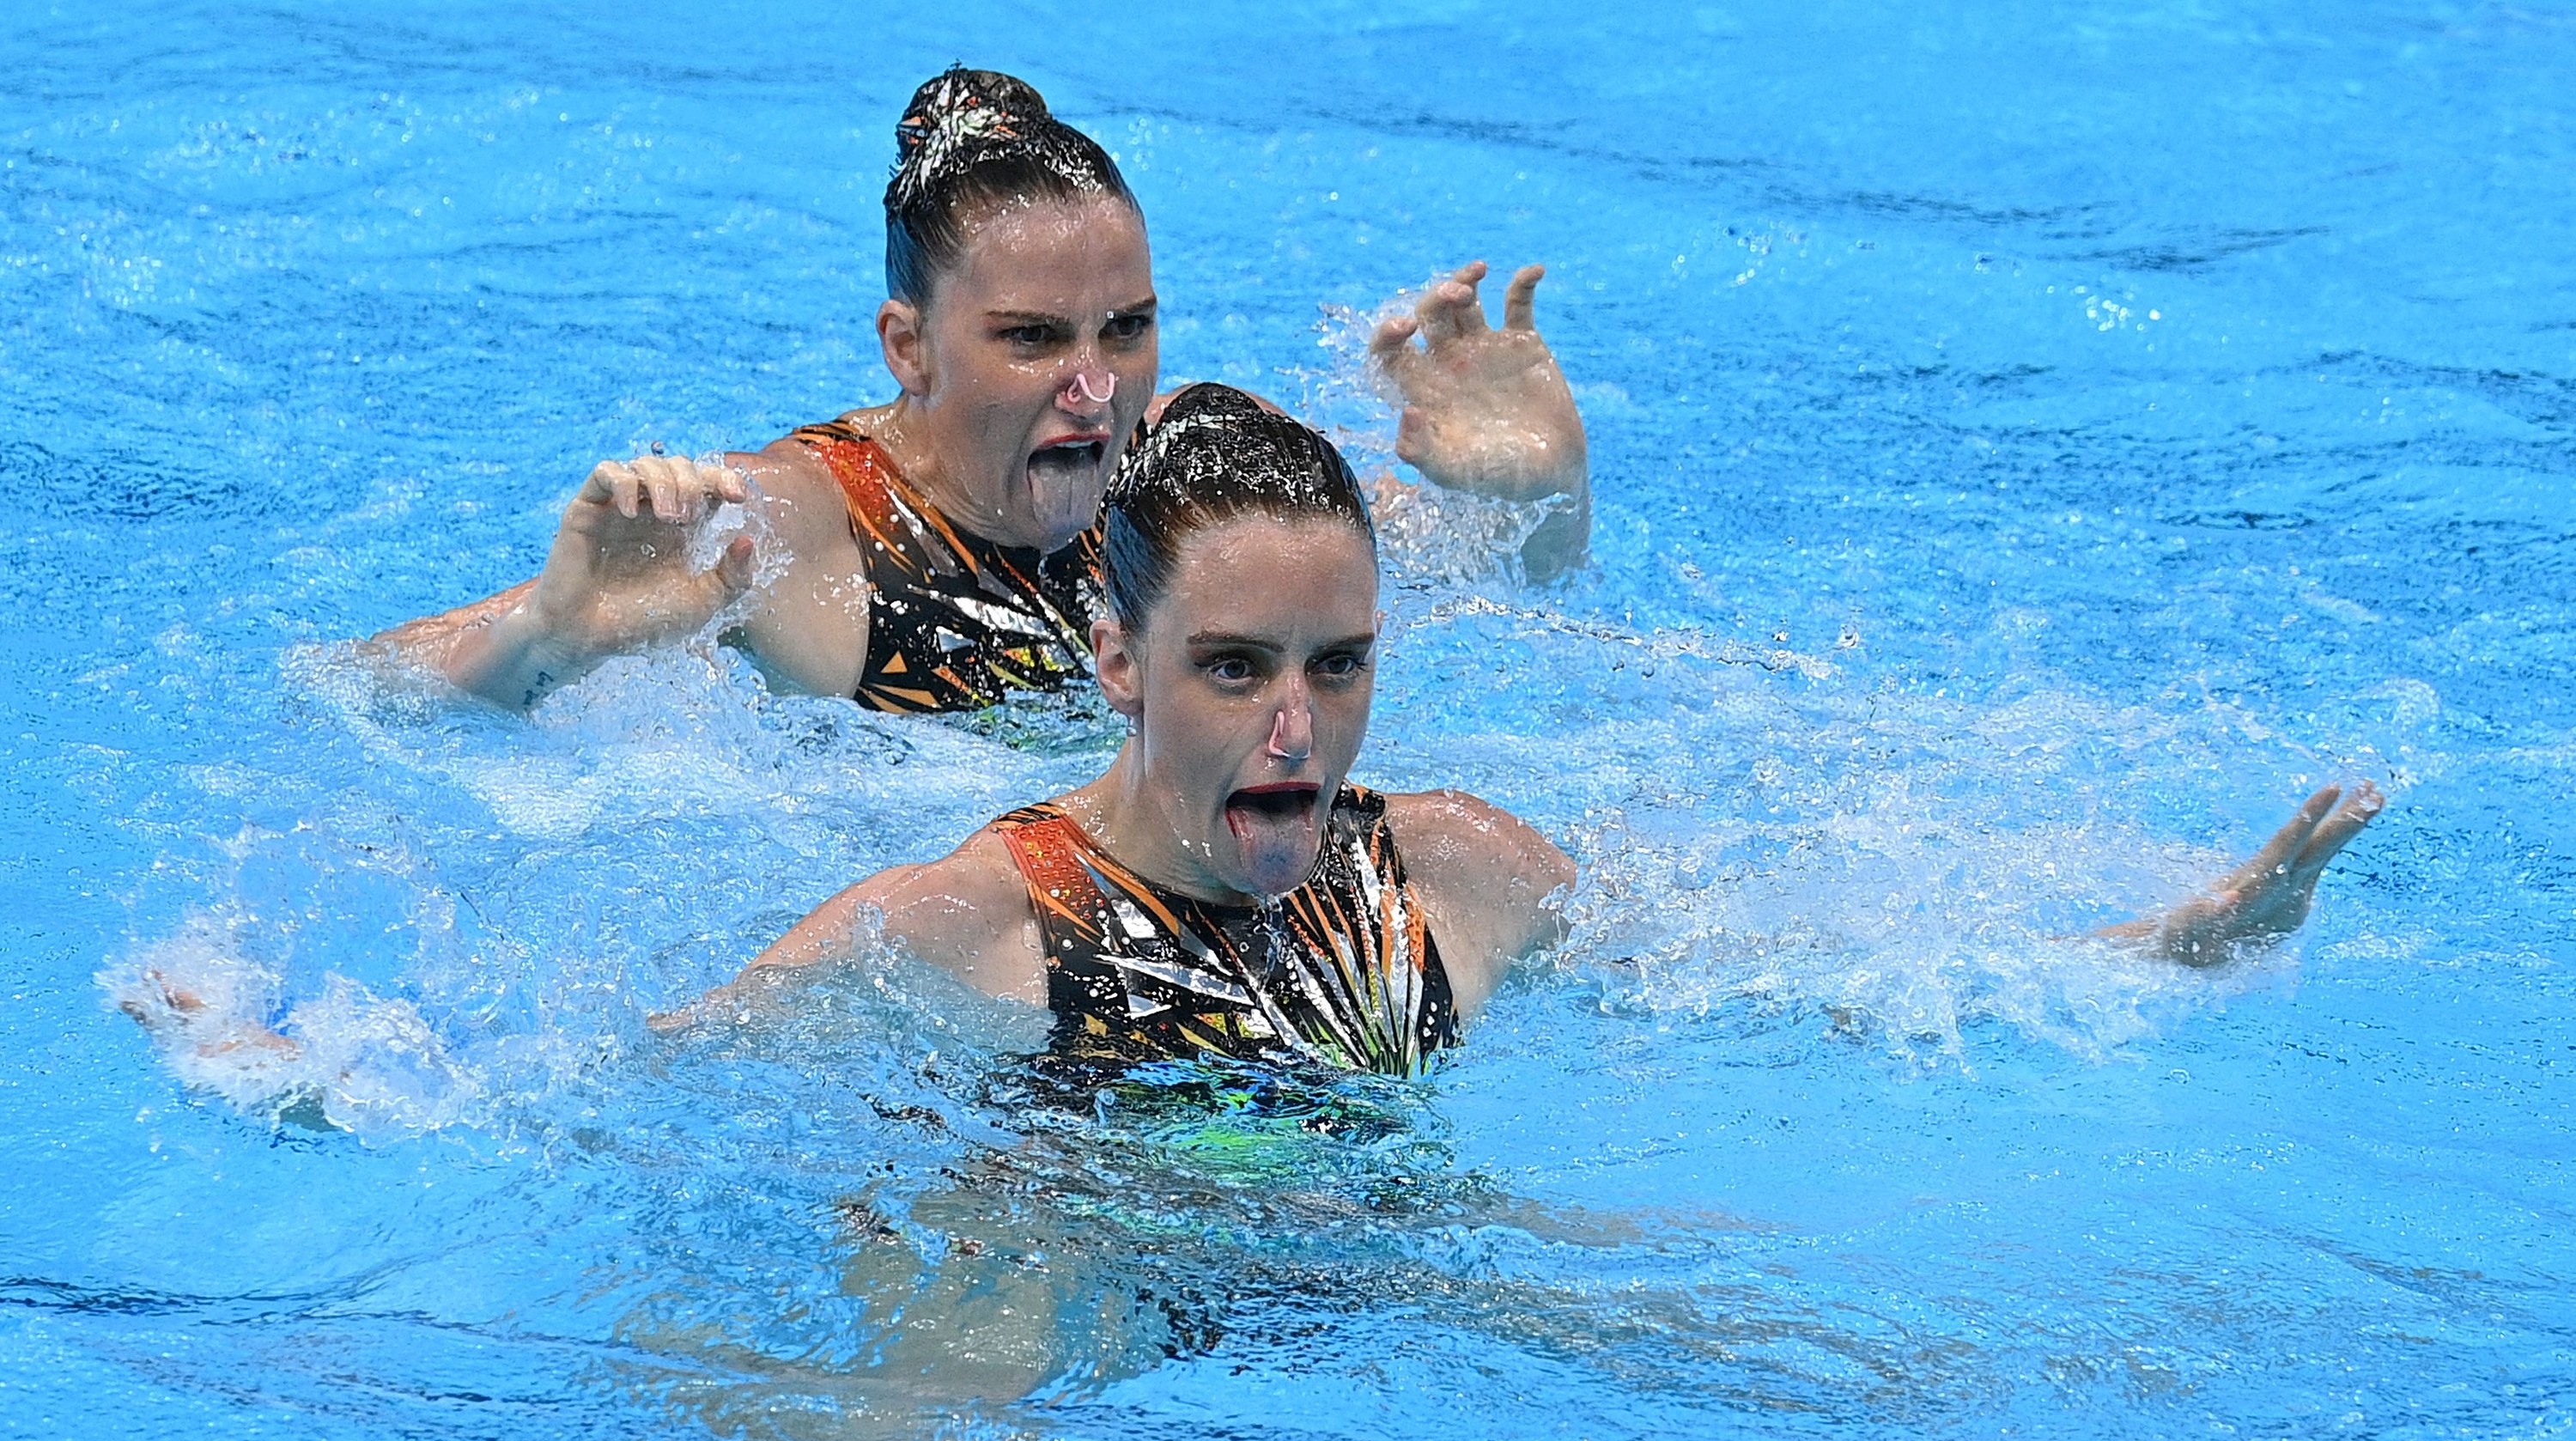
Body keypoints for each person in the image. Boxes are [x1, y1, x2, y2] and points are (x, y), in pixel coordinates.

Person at [680, 387, 2385, 1078]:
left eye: (1338, 664)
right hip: (1077, 1290)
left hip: (1395, 1299)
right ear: (1115, 659)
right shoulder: (973, 922)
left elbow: (1820, 971)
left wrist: (2184, 939)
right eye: (1234, 670)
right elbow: (634, 1088)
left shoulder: (1456, 876)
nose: (1297, 727)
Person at [374, 68, 1593, 714]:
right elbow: (360, 685)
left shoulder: (1192, 469)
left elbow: (1482, 582)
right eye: (1031, 338)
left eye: (1130, 327)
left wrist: (1544, 491)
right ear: (908, 348)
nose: (1093, 386)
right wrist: (550, 635)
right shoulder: (803, 528)